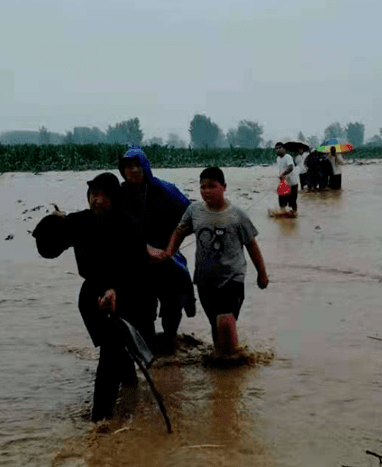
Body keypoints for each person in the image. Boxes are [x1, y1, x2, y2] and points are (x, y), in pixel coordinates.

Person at [32, 172, 152, 421]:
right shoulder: (78, 222)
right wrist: (49, 225)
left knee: (111, 351)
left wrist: (115, 290)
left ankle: (101, 421)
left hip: (126, 293)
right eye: (93, 194)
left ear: (114, 198)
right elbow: (49, 249)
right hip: (91, 295)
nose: (97, 200)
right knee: (116, 350)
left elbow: (138, 268)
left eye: (103, 195)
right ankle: (129, 386)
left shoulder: (128, 225)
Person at [162, 167, 269, 358]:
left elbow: (251, 245)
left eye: (212, 186)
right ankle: (222, 364)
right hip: (205, 280)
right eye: (203, 187)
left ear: (224, 187)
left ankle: (232, 373)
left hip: (232, 278)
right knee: (216, 324)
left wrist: (262, 273)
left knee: (225, 322)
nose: (207, 191)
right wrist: (170, 252)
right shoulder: (194, 210)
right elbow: (179, 231)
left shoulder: (237, 215)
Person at [118, 145, 195, 353]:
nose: (133, 170)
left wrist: (170, 248)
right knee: (142, 310)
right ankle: (148, 347)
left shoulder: (164, 190)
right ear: (122, 170)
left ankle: (170, 340)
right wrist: (142, 248)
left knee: (173, 302)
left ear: (145, 166)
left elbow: (191, 218)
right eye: (128, 166)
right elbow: (113, 228)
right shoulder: (119, 195)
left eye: (137, 165)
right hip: (136, 262)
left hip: (166, 257)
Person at [275, 142, 298, 212]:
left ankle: (294, 218)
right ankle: (283, 219)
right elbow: (280, 169)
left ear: (284, 149)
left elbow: (290, 168)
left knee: (292, 203)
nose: (278, 150)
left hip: (292, 184)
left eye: (280, 148)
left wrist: (283, 174)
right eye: (276, 148)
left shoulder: (288, 157)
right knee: (282, 203)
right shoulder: (278, 159)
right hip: (283, 184)